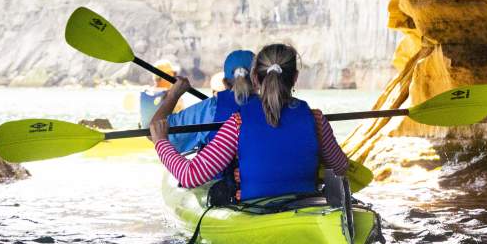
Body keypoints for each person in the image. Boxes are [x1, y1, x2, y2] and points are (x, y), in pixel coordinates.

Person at [150, 43, 349, 201]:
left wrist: (161, 142)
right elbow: (340, 168)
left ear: (255, 78)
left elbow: (190, 176)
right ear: (295, 77)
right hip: (304, 205)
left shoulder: (237, 123)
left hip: (256, 209)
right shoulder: (316, 120)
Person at [149, 50, 255, 154]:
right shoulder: (269, 106)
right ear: (258, 80)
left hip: (215, 169)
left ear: (225, 83)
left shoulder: (210, 109)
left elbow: (154, 131)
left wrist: (173, 95)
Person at [139, 59, 177, 128]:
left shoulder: (145, 93)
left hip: (147, 133)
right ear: (166, 76)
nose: (173, 77)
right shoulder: (171, 95)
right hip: (165, 134)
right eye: (172, 74)